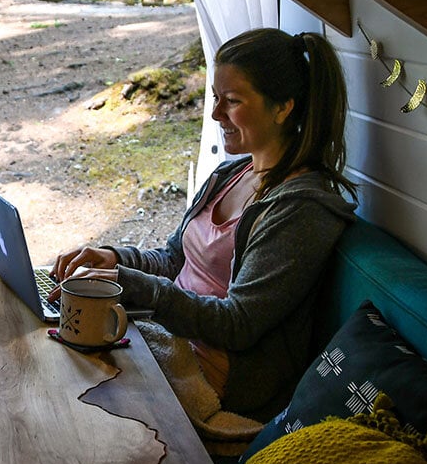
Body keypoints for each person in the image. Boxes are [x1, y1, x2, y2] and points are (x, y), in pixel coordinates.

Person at [51, 27, 357, 421]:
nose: (214, 114)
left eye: (231, 101)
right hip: (166, 339)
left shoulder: (302, 209)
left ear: (283, 108)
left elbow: (238, 323)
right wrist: (113, 259)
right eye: (216, 97)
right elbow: (174, 258)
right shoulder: (230, 174)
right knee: (56, 354)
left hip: (211, 377)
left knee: (69, 391)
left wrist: (132, 285)